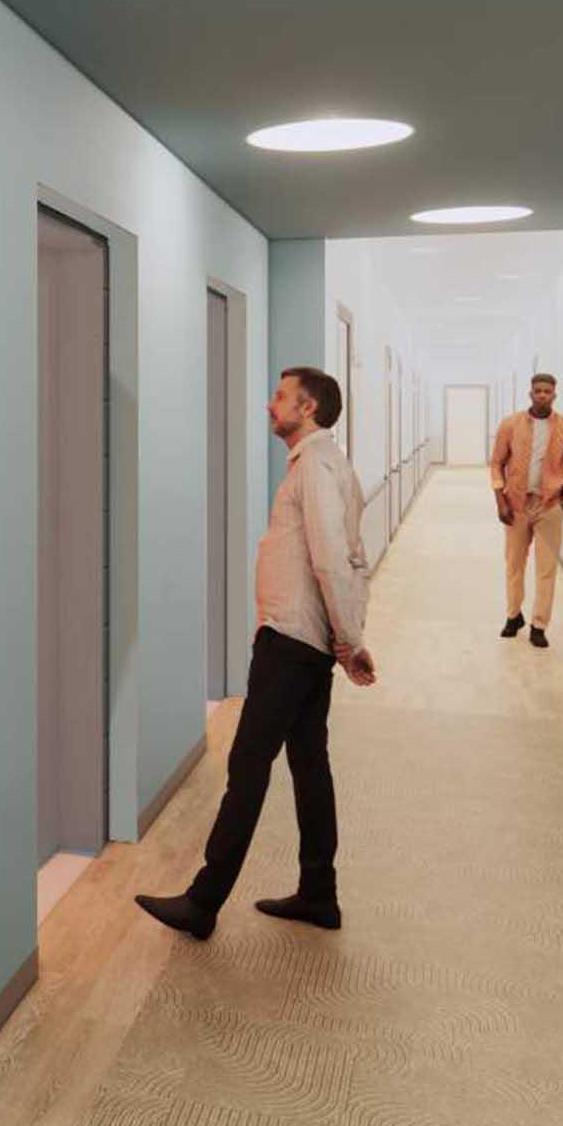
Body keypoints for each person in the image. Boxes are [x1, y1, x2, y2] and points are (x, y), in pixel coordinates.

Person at [136, 367, 375, 940]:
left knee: (247, 768)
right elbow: (351, 559)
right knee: (310, 766)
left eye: (280, 397)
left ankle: (203, 901)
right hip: (308, 642)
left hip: (292, 643)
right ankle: (320, 893)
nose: (271, 406)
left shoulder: (315, 468)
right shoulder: (327, 465)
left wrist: (350, 641)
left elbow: (331, 560)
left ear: (308, 406)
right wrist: (344, 638)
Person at [489, 373, 563, 650]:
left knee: (546, 569)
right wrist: (500, 500)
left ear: (554, 395)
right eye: (538, 391)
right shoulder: (510, 425)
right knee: (514, 565)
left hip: (549, 507)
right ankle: (513, 616)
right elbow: (496, 463)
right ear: (530, 393)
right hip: (516, 506)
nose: (542, 395)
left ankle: (539, 624)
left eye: (547, 391)